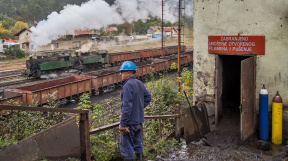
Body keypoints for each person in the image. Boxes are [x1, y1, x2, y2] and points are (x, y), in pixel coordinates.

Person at [118, 61, 152, 161]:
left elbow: (127, 106)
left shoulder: (127, 85)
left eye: (122, 72)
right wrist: (139, 108)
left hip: (129, 123)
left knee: (126, 147)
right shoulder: (139, 83)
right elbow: (148, 97)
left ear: (128, 73)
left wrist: (122, 124)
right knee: (138, 144)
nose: (120, 74)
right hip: (139, 121)